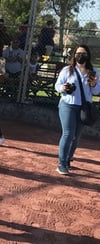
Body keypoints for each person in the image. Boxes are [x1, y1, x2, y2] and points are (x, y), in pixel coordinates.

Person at [54, 45, 100, 175]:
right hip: (67, 105)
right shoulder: (68, 70)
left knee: (76, 136)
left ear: (88, 55)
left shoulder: (93, 71)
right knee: (68, 133)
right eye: (78, 53)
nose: (81, 56)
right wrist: (63, 88)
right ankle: (61, 163)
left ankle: (68, 159)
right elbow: (57, 86)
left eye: (83, 53)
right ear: (74, 55)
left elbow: (96, 91)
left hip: (83, 107)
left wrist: (93, 84)